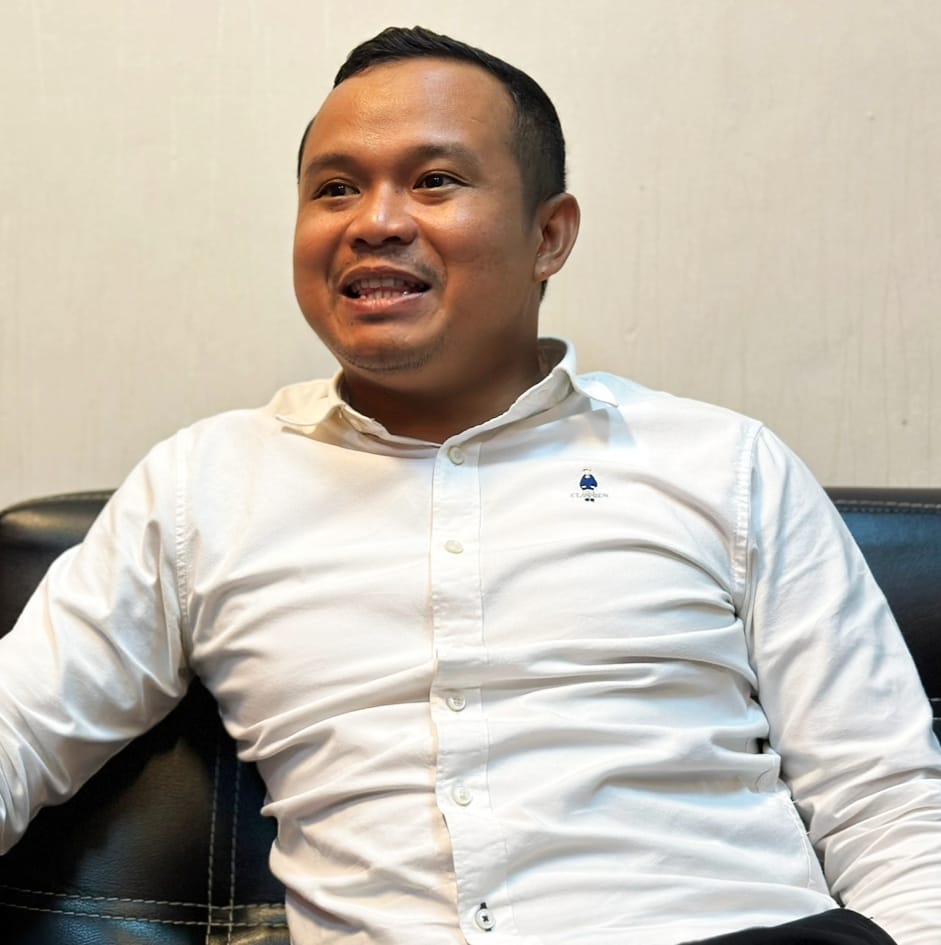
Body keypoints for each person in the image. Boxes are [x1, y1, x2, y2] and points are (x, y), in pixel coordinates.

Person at [1, 25, 939, 945]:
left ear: (548, 234)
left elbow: (886, 802)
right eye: (335, 188)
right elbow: (20, 728)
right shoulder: (203, 487)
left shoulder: (722, 465)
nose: (374, 221)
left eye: (434, 181)